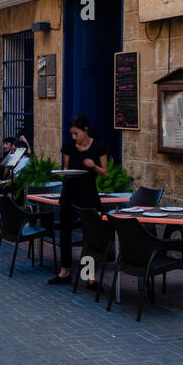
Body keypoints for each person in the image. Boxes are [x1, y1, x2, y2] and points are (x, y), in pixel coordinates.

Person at [48, 115, 108, 285]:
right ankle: (64, 271)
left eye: (77, 133)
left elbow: (105, 172)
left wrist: (93, 166)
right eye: (72, 134)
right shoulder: (68, 147)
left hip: (88, 194)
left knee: (90, 235)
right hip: (70, 193)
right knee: (65, 233)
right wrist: (68, 173)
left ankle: (89, 276)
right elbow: (66, 169)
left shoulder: (98, 147)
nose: (74, 137)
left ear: (85, 130)